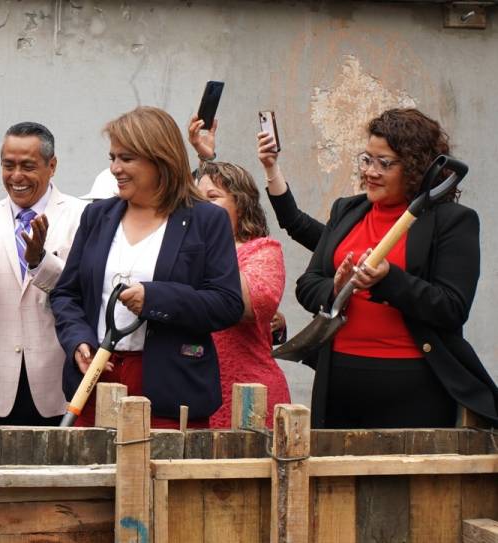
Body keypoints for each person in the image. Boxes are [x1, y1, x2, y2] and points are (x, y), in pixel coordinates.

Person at [296, 108, 498, 428]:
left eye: (385, 163)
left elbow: (452, 307)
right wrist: (335, 287)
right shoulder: (346, 210)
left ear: (416, 168)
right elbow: (308, 283)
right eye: (367, 159)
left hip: (413, 384)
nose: (370, 172)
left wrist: (389, 280)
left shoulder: (452, 221)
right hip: (339, 379)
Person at [51, 106, 243, 428]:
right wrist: (78, 340)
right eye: (112, 157)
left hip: (171, 390)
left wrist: (155, 299)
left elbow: (227, 303)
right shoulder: (97, 217)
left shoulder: (207, 220)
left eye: (126, 158)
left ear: (160, 159)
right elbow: (65, 294)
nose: (115, 168)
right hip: (97, 380)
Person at [0, 122, 87, 426]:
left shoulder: (82, 217)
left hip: (60, 386)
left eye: (28, 166)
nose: (16, 176)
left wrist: (40, 263)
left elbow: (85, 294)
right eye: (8, 166)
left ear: (52, 166)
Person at [196, 162, 290, 428]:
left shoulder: (262, 250)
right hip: (196, 391)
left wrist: (215, 242)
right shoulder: (184, 249)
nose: (201, 207)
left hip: (251, 395)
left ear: (241, 203)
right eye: (195, 200)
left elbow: (246, 305)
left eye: (212, 197)